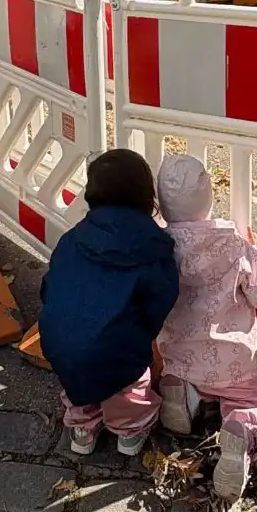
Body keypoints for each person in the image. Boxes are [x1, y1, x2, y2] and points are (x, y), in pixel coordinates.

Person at [155, 154, 257, 502]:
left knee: (183, 371)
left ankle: (181, 392)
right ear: (209, 196)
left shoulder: (160, 247)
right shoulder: (233, 244)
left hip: (180, 355)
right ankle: (242, 424)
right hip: (233, 364)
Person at [39, 149, 179, 457]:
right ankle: (130, 431)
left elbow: (50, 286)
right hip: (116, 351)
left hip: (57, 344)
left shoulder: (73, 238)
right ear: (146, 196)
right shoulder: (151, 247)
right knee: (125, 380)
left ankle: (82, 429)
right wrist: (145, 335)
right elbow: (162, 297)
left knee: (81, 378)